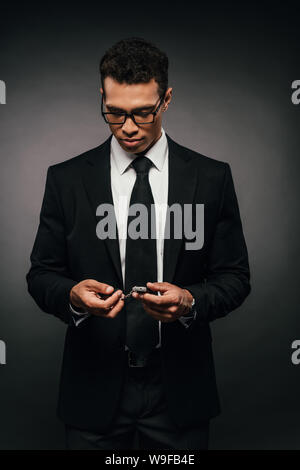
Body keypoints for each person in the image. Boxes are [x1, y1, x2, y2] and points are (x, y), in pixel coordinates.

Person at [26, 37, 251, 450]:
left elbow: (235, 278)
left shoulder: (213, 177)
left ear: (166, 99)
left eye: (143, 113)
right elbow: (41, 275)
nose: (128, 127)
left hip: (180, 393)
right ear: (102, 97)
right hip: (91, 391)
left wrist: (190, 302)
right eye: (113, 113)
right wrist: (73, 297)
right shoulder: (66, 179)